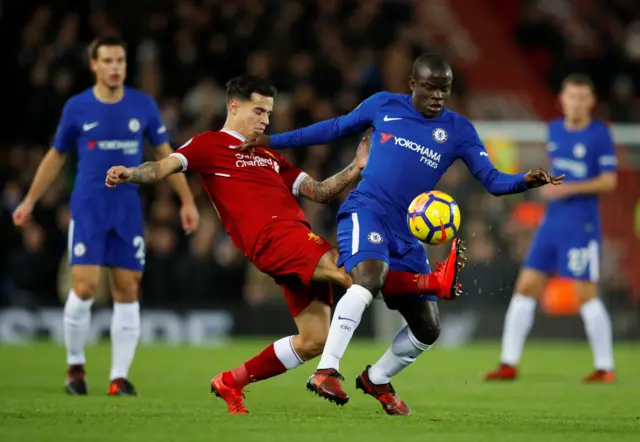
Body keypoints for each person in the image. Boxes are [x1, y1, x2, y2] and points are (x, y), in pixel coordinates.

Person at [105, 74, 465, 414]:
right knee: (354, 272)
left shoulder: (269, 156)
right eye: (258, 111)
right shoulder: (208, 145)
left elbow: (319, 191)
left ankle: (231, 381)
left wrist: (355, 169)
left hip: (294, 236)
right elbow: (162, 167)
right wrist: (130, 173)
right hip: (273, 237)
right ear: (234, 107)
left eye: (269, 114)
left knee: (314, 340)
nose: (265, 121)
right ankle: (431, 282)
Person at [239, 53, 564, 415]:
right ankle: (327, 369)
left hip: (408, 232)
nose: (438, 96)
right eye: (430, 87)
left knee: (428, 328)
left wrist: (524, 181)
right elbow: (333, 128)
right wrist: (273, 140)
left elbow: (492, 180)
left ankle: (376, 378)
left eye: (445, 89)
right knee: (369, 276)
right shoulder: (384, 105)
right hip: (368, 210)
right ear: (412, 84)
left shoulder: (459, 130)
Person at [12, 36, 200, 396]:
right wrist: (30, 201)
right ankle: (75, 367)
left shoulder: (142, 105)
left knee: (127, 291)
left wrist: (187, 202)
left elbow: (165, 156)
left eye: (121, 61)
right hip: (88, 208)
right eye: (109, 61)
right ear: (94, 65)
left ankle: (118, 376)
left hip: (127, 209)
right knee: (83, 287)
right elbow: (56, 155)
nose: (116, 67)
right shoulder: (77, 107)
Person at [484, 74, 617, 383]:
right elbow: (559, 173)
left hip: (581, 224)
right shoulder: (555, 131)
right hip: (552, 222)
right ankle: (508, 363)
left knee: (585, 293)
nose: (577, 102)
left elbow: (609, 180)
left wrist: (569, 188)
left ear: (591, 101)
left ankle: (604, 367)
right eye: (572, 96)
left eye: (583, 97)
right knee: (525, 287)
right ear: (562, 99)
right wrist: (547, 183)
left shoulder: (600, 134)